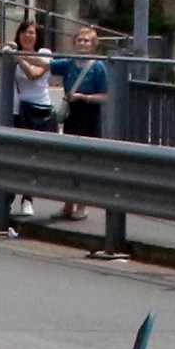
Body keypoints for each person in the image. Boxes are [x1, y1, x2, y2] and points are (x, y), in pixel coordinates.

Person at [0, 19, 57, 216]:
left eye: (32, 32)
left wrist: (17, 57)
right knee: (13, 157)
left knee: (32, 158)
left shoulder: (44, 54)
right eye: (24, 32)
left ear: (37, 36)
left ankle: (28, 198)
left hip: (38, 110)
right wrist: (5, 48)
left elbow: (33, 74)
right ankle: (7, 199)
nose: (28, 36)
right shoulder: (13, 51)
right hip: (16, 110)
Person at [51, 24, 109, 220]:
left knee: (86, 162)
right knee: (70, 160)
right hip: (72, 116)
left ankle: (83, 205)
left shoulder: (98, 67)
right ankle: (68, 204)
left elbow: (105, 97)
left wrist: (83, 97)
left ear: (93, 45)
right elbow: (46, 64)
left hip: (90, 115)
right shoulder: (68, 64)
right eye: (80, 40)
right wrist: (20, 54)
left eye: (87, 41)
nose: (83, 43)